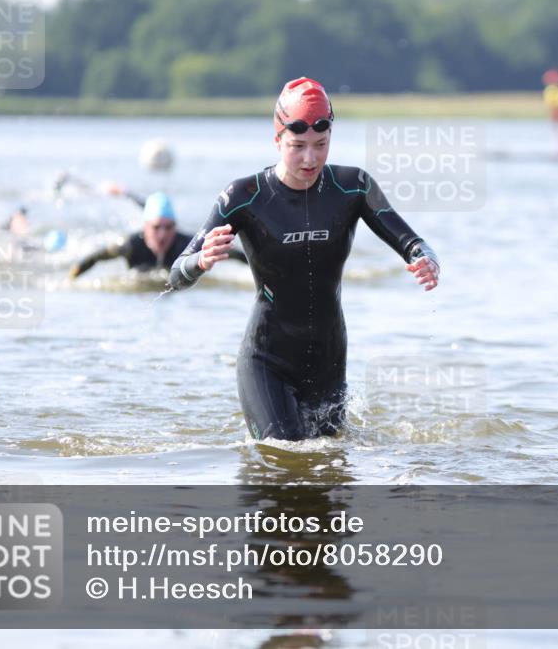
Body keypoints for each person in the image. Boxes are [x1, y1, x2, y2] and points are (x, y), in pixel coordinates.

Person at [169, 77, 440, 441]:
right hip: (267, 361)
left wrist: (426, 259)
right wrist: (199, 262)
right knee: (286, 458)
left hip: (329, 362)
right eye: (297, 146)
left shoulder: (353, 187)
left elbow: (413, 242)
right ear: (277, 139)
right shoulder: (244, 196)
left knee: (327, 475)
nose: (310, 158)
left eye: (321, 145)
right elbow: (174, 275)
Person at [69, 192, 246, 279]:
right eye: (156, 228)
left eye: (168, 228)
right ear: (145, 227)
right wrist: (70, 279)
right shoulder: (128, 245)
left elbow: (235, 254)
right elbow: (93, 259)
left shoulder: (189, 244)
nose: (162, 234)